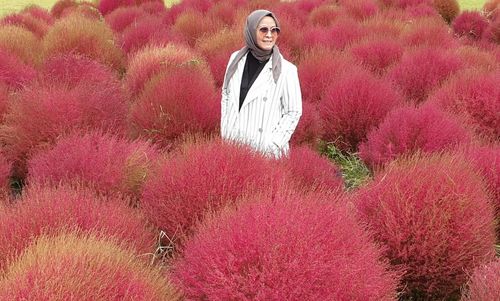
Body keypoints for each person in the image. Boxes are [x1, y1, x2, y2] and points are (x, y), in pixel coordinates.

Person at [220, 9, 302, 158]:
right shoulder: (235, 60)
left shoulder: (287, 70)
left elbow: (293, 112)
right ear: (251, 31)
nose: (269, 35)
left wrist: (273, 143)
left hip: (265, 152)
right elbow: (226, 94)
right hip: (233, 145)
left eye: (274, 30)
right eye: (263, 30)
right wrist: (225, 129)